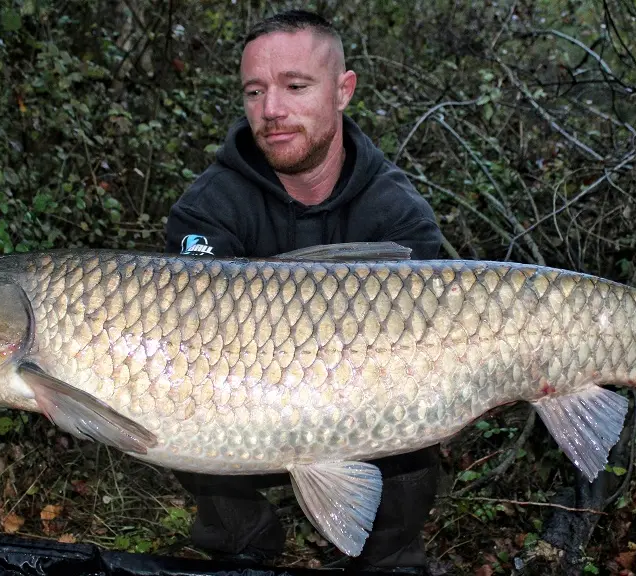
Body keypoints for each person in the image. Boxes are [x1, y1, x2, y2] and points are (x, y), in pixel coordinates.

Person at [163, 9, 442, 573]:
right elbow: (192, 346)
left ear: (343, 91)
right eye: (255, 91)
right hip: (244, 402)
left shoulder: (397, 212)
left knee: (416, 435)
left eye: (295, 87)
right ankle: (243, 543)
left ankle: (388, 557)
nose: (271, 111)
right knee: (177, 404)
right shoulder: (208, 207)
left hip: (375, 401)